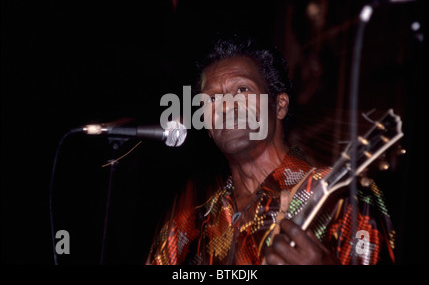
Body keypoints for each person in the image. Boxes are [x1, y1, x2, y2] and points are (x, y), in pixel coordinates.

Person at [147, 36, 396, 265]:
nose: (225, 107)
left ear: (279, 106)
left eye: (242, 90)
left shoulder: (342, 197)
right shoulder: (190, 223)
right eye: (211, 99)